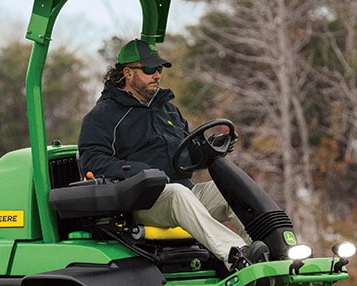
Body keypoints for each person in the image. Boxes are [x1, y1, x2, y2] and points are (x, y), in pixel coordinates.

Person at [77, 38, 268, 271]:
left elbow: (185, 154)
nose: (156, 75)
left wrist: (209, 149)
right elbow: (93, 161)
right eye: (149, 69)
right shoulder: (104, 116)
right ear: (127, 73)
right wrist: (142, 173)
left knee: (229, 189)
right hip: (142, 202)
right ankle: (239, 257)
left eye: (158, 69)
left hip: (184, 194)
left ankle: (270, 253)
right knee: (178, 193)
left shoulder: (167, 109)